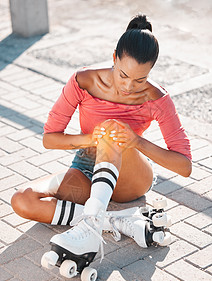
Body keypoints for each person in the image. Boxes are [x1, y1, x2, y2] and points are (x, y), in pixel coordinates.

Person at [11, 14, 192, 260]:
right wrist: (91, 139)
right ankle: (114, 221)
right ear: (114, 57)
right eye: (123, 75)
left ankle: (89, 230)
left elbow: (184, 166)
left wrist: (136, 141)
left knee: (113, 131)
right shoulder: (83, 81)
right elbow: (50, 138)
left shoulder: (157, 98)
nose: (129, 87)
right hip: (88, 167)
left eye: (141, 79)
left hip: (131, 176)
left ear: (151, 71)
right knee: (23, 200)